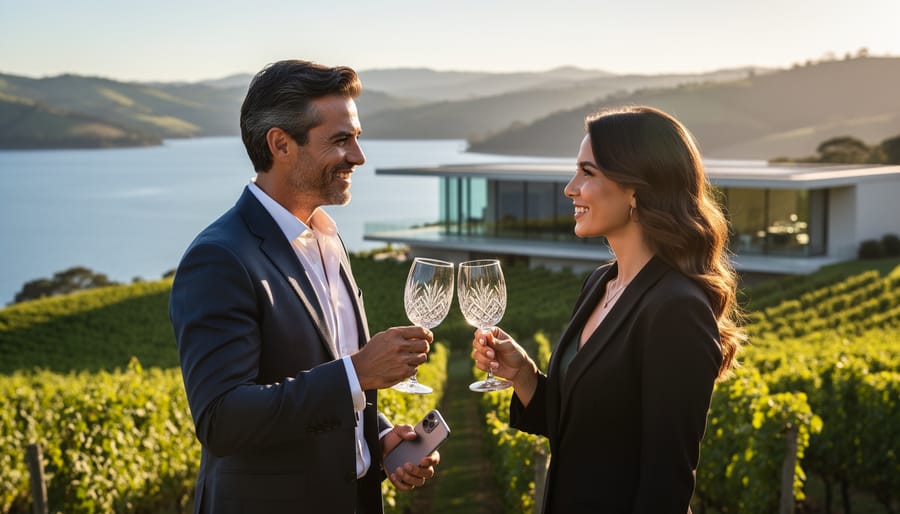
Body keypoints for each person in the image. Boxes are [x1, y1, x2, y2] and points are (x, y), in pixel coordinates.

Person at [170, 59, 439, 514]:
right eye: (341, 140)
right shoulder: (220, 258)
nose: (358, 156)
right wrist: (358, 373)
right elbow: (223, 419)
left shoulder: (328, 239)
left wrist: (378, 437)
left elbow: (321, 376)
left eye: (356, 137)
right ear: (280, 144)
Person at [471, 105, 745, 513]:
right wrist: (524, 375)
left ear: (636, 189)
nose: (570, 188)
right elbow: (584, 433)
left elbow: (665, 484)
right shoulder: (601, 282)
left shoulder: (677, 309)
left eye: (588, 173)